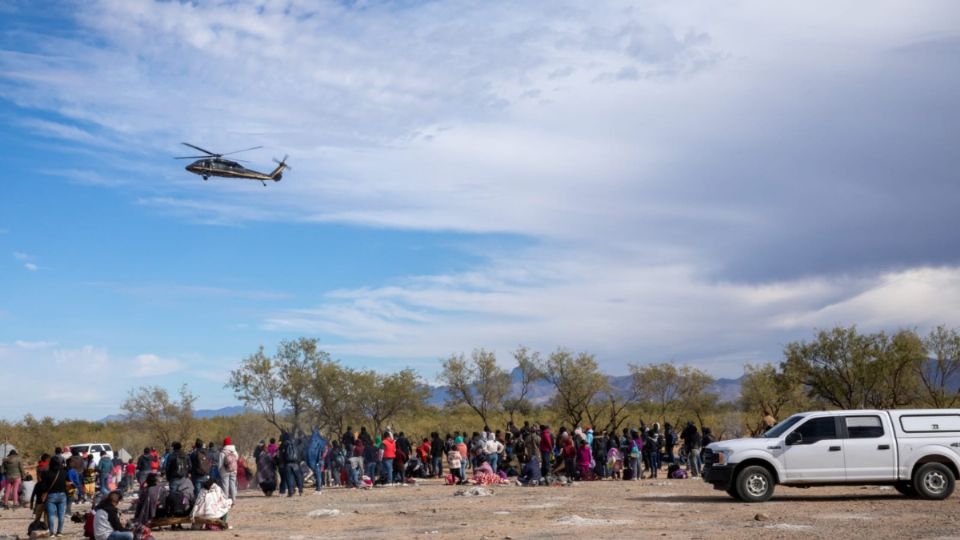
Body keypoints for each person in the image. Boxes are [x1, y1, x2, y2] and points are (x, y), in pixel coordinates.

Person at [38, 456, 69, 537]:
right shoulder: (64, 472)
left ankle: (52, 532)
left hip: (51, 496)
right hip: (62, 495)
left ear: (51, 463)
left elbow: (43, 487)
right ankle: (59, 532)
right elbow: (67, 483)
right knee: (61, 515)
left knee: (51, 515)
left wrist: (43, 493)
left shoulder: (47, 473)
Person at [279, 432, 303, 496]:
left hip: (287, 463)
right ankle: (300, 490)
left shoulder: (283, 444)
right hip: (295, 463)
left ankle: (290, 492)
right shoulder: (295, 442)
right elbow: (301, 441)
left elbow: (281, 454)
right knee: (298, 477)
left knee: (289, 478)